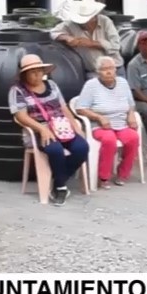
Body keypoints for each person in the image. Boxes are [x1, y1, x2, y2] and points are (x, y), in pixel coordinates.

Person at [9, 54, 89, 206]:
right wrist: (42, 129)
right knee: (55, 150)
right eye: (33, 72)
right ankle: (60, 188)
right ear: (24, 74)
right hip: (39, 130)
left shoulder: (52, 85)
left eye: (40, 70)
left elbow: (63, 108)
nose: (38, 74)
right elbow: (21, 116)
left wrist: (76, 126)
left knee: (82, 147)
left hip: (62, 128)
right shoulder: (17, 91)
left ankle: (59, 180)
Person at [75, 56, 141, 189]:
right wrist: (99, 117)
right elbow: (80, 108)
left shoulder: (122, 82)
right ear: (97, 72)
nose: (109, 72)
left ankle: (123, 173)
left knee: (133, 138)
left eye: (111, 68)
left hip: (121, 123)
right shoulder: (91, 85)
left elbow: (131, 104)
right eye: (104, 69)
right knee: (109, 140)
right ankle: (104, 177)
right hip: (100, 125)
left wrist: (131, 115)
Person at [51, 0, 124, 78]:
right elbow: (53, 32)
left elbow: (115, 47)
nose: (82, 23)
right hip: (93, 72)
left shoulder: (106, 21)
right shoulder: (71, 23)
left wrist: (92, 43)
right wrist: (67, 38)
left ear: (94, 17)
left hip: (115, 69)